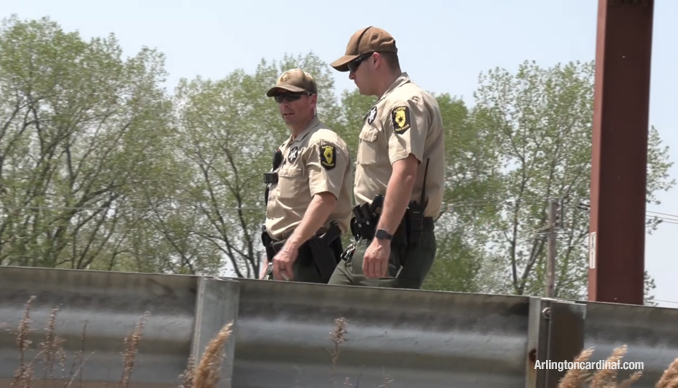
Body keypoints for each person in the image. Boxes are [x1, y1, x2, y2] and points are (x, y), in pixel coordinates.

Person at [326, 26, 445, 289]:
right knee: (327, 319)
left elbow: (405, 172)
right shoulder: (389, 103)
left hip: (394, 238)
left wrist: (383, 237)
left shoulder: (404, 102)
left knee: (371, 328)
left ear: (376, 60)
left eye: (353, 66)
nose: (351, 76)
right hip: (371, 237)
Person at [259, 68, 353, 284]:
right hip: (284, 259)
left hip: (311, 259)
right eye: (280, 97)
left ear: (313, 100)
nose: (285, 103)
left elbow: (325, 200)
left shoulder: (322, 142)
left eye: (292, 96)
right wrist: (271, 258)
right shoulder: (287, 148)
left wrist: (290, 248)